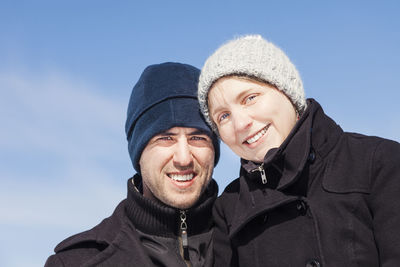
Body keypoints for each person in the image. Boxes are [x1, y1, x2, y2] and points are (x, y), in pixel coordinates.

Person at [197, 35, 400, 266]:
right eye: (223, 116)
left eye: (250, 98)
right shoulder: (228, 209)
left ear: (287, 91)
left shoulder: (379, 162)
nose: (240, 124)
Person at [45, 62, 220, 267]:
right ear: (138, 152)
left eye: (198, 138)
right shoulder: (76, 262)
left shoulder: (250, 240)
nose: (184, 158)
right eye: (165, 138)